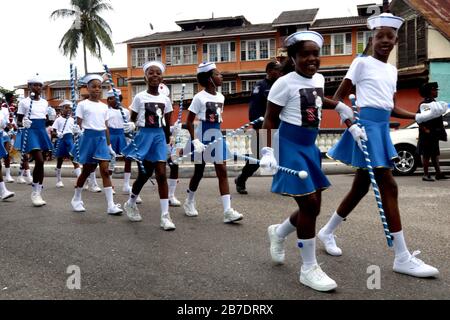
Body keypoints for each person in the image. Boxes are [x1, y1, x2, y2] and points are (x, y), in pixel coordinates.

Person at [320, 13, 442, 278]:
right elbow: (337, 99)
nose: (385, 41)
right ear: (372, 39)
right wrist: (350, 124)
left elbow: (389, 107)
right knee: (389, 184)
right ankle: (402, 256)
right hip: (364, 129)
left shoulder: (391, 70)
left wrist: (419, 115)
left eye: (390, 36)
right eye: (380, 36)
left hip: (381, 130)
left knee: (360, 188)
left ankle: (327, 231)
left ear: (396, 40)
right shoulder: (361, 63)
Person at [263, 31, 355, 292]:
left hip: (308, 146)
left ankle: (278, 232)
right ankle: (308, 268)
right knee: (310, 203)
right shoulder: (283, 83)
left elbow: (314, 100)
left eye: (315, 54)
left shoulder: (319, 78)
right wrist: (266, 151)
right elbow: (269, 118)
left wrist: (336, 106)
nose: (312, 59)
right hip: (289, 145)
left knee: (312, 208)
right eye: (305, 54)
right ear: (293, 57)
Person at [183, 62, 243, 224]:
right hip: (202, 136)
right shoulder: (199, 97)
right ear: (209, 78)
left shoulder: (221, 97)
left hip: (216, 135)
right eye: (217, 74)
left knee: (222, 170)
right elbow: (188, 122)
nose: (221, 76)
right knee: (199, 172)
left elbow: (217, 120)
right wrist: (195, 141)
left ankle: (227, 211)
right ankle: (189, 201)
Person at [122, 61, 176, 231]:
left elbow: (167, 123)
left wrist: (170, 139)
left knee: (161, 173)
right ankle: (130, 202)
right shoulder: (139, 97)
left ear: (162, 78)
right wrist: (130, 127)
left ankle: (165, 216)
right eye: (151, 73)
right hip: (144, 136)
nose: (155, 76)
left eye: (158, 73)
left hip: (159, 137)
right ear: (145, 76)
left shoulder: (165, 99)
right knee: (144, 175)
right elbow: (132, 120)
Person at [70, 74, 123, 215]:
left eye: (100, 87)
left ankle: (111, 205)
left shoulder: (104, 107)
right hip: (88, 138)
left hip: (101, 139)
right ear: (87, 88)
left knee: (105, 171)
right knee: (87, 171)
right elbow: (78, 125)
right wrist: (77, 131)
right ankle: (76, 199)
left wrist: (109, 145)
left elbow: (105, 127)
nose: (97, 89)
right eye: (94, 87)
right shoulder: (82, 105)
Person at [235, 61, 282, 195]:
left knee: (278, 157)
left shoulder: (280, 85)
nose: (280, 73)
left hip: (278, 128)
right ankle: (241, 180)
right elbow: (254, 109)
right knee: (256, 159)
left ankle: (279, 185)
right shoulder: (260, 86)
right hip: (261, 128)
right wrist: (256, 127)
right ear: (269, 71)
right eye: (277, 70)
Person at [17, 74, 54, 207]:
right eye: (35, 85)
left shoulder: (45, 102)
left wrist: (51, 122)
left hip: (41, 131)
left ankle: (38, 191)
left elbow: (46, 120)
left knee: (41, 163)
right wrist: (23, 123)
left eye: (39, 85)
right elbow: (19, 120)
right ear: (29, 87)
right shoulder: (24, 102)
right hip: (30, 131)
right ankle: (34, 192)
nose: (37, 87)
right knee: (39, 160)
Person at [416, 82, 448, 181]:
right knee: (426, 155)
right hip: (427, 134)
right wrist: (425, 130)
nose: (436, 92)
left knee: (435, 154)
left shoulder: (433, 102)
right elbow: (419, 118)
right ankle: (425, 174)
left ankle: (438, 173)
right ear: (430, 91)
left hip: (433, 133)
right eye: (435, 90)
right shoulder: (425, 104)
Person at [52, 100, 81, 188]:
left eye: (70, 108)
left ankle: (80, 179)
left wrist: (77, 131)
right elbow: (53, 132)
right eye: (66, 108)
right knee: (59, 161)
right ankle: (59, 180)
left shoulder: (73, 120)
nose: (68, 110)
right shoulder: (58, 120)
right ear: (62, 109)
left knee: (74, 160)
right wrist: (58, 134)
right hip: (61, 140)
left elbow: (76, 131)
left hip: (70, 140)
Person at [1, 92, 16, 183]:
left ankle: (8, 175)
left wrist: (11, 128)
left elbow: (8, 120)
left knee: (7, 154)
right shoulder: (5, 105)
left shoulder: (5, 109)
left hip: (5, 132)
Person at [0, 109, 15, 200]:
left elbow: (5, 124)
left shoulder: (2, 112)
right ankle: (3, 191)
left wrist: (11, 128)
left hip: (2, 135)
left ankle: (3, 190)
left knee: (7, 155)